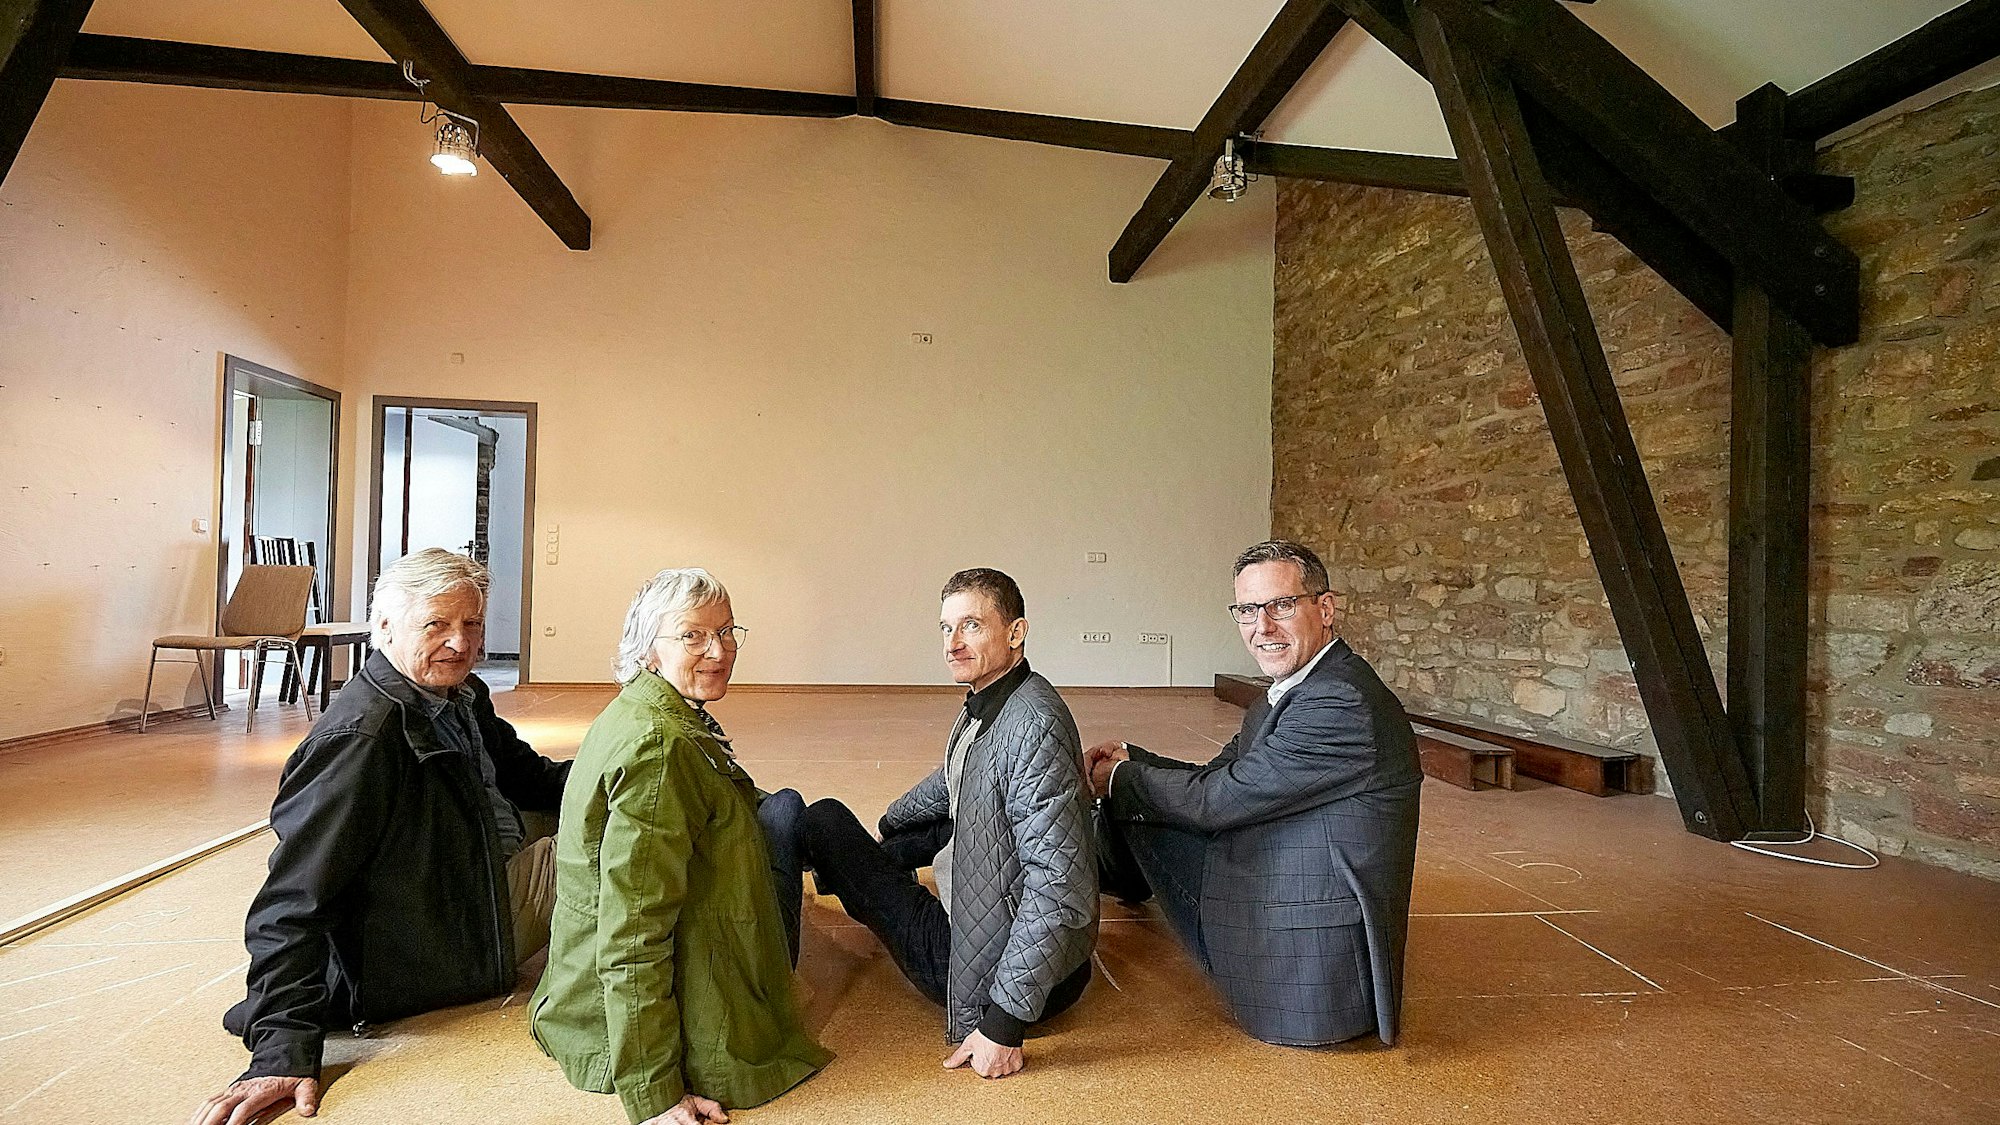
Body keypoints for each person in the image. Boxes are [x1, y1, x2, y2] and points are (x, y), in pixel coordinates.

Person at [192, 549, 570, 1125]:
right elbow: (291, 900)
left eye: (471, 624)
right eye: (436, 624)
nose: (460, 642)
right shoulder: (361, 740)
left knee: (615, 795)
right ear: (385, 627)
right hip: (453, 935)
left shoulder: (459, 697)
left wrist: (622, 765)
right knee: (621, 840)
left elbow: (530, 778)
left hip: (469, 868)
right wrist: (283, 1048)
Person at [1085, 539, 1422, 1048]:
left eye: (1281, 606)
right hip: (1292, 868)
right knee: (1139, 791)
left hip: (1308, 951)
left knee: (1134, 802)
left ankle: (1071, 890)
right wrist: (1134, 758)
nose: (1262, 627)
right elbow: (1217, 775)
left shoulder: (1337, 701)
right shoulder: (1302, 683)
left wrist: (1117, 780)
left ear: (1325, 609)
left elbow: (1217, 800)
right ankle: (1098, 879)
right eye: (1247, 609)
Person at [530, 568, 829, 1125]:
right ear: (648, 652)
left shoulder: (653, 712)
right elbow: (634, 929)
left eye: (727, 630)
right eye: (692, 636)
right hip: (633, 1026)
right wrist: (655, 1092)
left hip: (608, 982)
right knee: (798, 817)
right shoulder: (660, 751)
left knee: (791, 812)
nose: (720, 650)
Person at [799, 568, 1095, 1080]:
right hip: (1019, 943)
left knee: (823, 821)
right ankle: (855, 869)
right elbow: (951, 781)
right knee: (914, 832)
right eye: (945, 628)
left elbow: (1060, 891)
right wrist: (892, 826)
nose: (953, 644)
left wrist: (1002, 1026)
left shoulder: (1033, 726)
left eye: (971, 626)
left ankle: (837, 873)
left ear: (1016, 633)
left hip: (983, 970)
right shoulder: (994, 700)